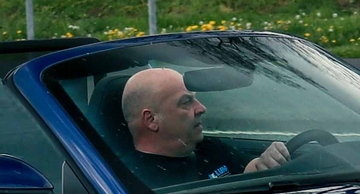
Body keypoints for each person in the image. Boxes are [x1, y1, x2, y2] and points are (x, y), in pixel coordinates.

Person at [118, 67, 288, 186]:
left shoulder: (206, 148)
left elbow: (249, 169)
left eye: (195, 99)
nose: (201, 108)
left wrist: (267, 161)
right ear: (151, 120)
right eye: (186, 102)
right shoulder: (131, 182)